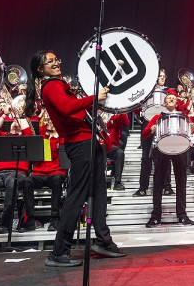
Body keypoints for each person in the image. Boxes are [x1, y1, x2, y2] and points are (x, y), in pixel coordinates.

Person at [28, 50, 126, 267]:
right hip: (80, 144)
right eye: (50, 61)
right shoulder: (51, 85)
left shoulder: (57, 84)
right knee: (76, 197)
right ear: (40, 69)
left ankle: (103, 241)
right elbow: (66, 108)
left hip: (87, 142)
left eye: (56, 59)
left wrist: (93, 102)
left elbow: (76, 111)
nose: (56, 63)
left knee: (99, 194)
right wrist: (93, 98)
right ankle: (58, 252)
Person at [142, 92, 194, 227]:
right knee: (158, 183)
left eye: (173, 98)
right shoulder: (157, 117)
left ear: (177, 102)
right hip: (161, 149)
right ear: (164, 103)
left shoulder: (184, 117)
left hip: (180, 149)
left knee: (181, 182)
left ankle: (182, 215)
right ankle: (155, 216)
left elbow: (192, 133)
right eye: (168, 99)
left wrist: (193, 129)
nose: (171, 99)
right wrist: (151, 129)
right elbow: (144, 134)